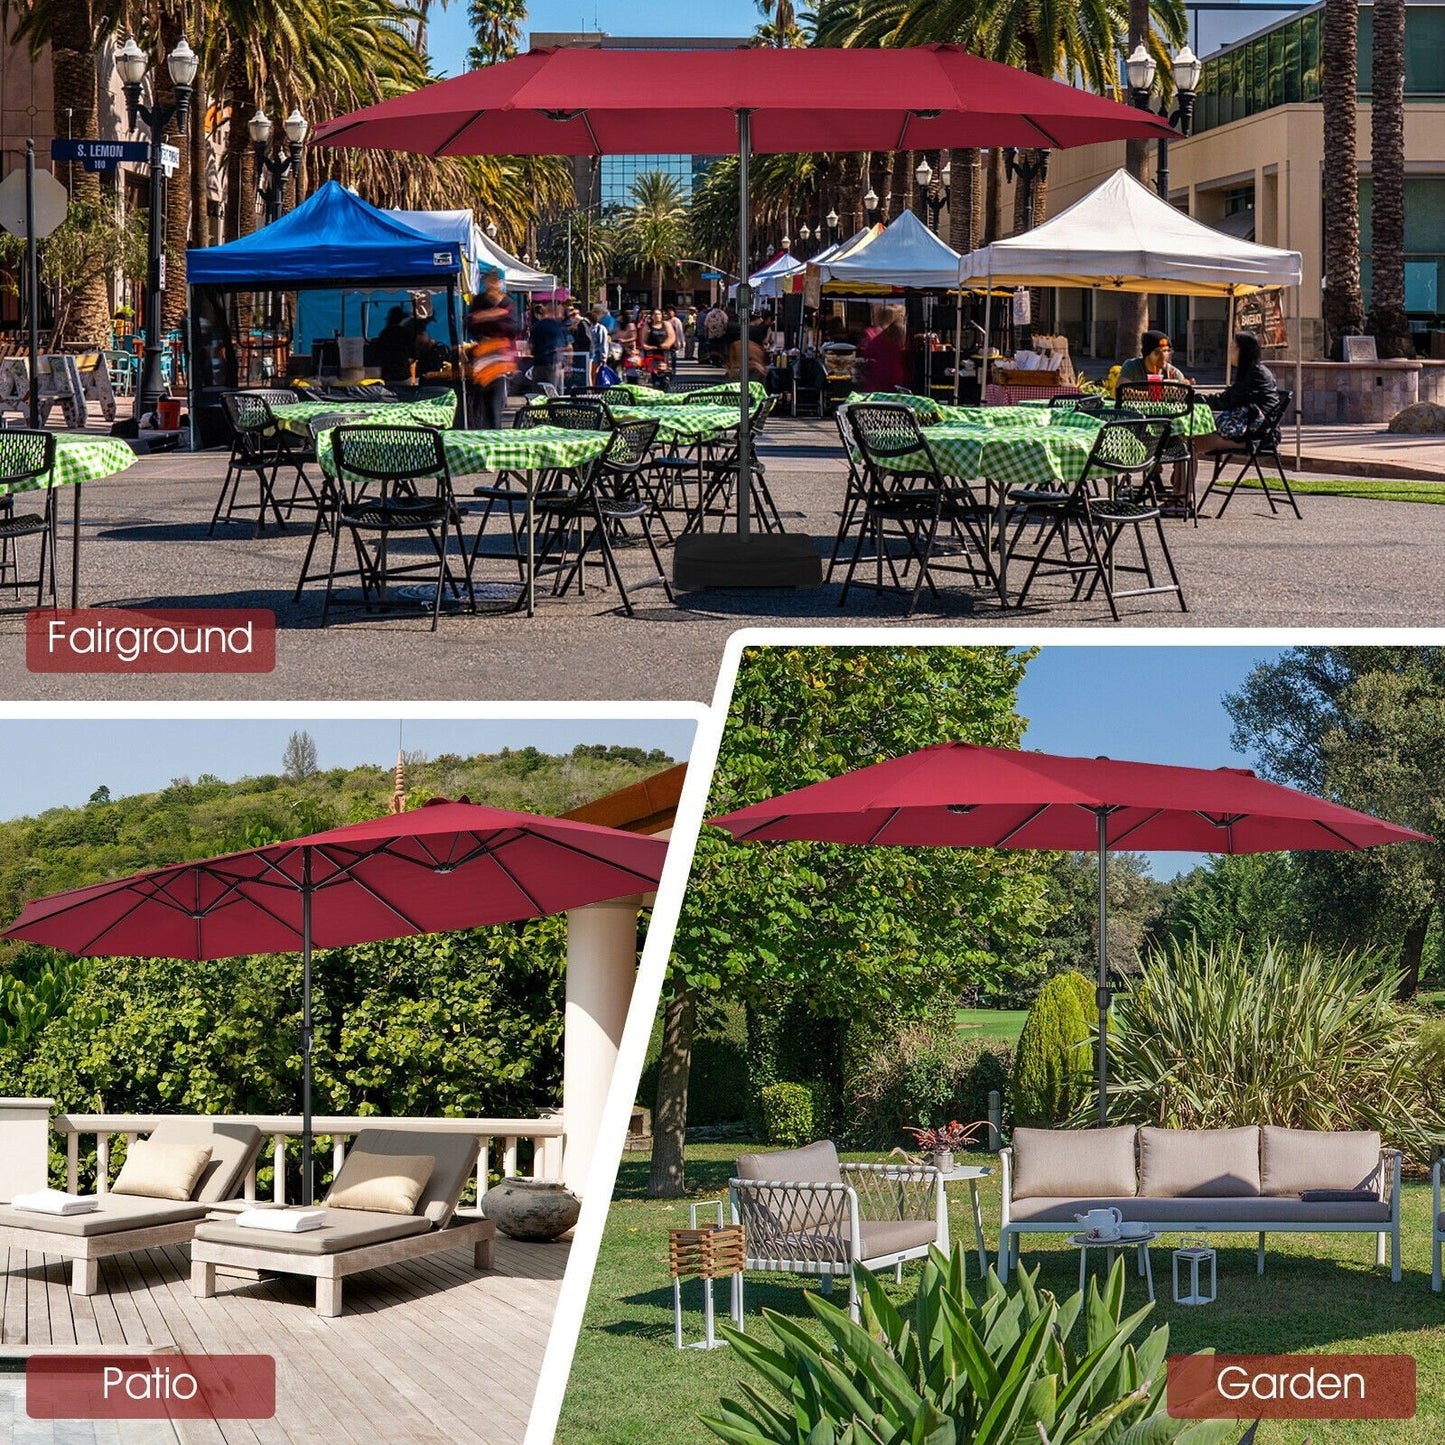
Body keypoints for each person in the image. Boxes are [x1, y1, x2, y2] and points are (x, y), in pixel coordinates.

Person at [1197, 330, 1280, 455]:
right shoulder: (1251, 371)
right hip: (1247, 428)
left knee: (1194, 441)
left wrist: (1194, 398)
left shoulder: (1256, 374)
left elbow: (1226, 401)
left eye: (1232, 347)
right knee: (1193, 437)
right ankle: (1179, 475)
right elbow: (1230, 398)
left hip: (1259, 434)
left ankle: (1176, 475)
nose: (1229, 352)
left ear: (1243, 351)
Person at [465, 273, 518, 429]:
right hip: (481, 359)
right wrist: (492, 315)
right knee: (479, 408)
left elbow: (514, 328)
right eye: (489, 282)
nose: (492, 285)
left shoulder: (508, 303)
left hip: (499, 362)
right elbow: (471, 322)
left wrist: (486, 316)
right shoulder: (480, 301)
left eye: (495, 282)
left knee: (494, 408)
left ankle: (494, 436)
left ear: (501, 284)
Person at [1117, 329, 1192, 387]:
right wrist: (1160, 394)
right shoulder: (1132, 367)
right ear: (1147, 354)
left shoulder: (1173, 374)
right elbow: (1121, 391)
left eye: (1166, 351)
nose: (1163, 356)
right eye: (1157, 352)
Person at [860, 305, 908, 392]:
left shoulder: (874, 334)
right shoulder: (902, 334)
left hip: (878, 374)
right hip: (898, 373)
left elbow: (866, 353)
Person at [528, 302, 571, 394]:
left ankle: (539, 408)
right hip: (555, 364)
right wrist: (568, 365)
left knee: (538, 394)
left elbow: (530, 346)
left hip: (539, 364)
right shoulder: (560, 327)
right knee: (554, 394)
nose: (563, 316)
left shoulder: (536, 326)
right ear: (556, 313)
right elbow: (569, 347)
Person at [373, 306, 415, 387]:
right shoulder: (406, 333)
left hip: (388, 374)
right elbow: (413, 354)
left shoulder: (384, 334)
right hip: (403, 374)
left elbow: (377, 354)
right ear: (401, 320)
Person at [588, 304, 610, 383]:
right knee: (594, 376)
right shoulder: (601, 328)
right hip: (597, 356)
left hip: (589, 356)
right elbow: (603, 344)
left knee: (590, 376)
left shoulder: (588, 327)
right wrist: (604, 358)